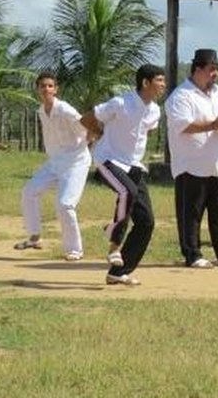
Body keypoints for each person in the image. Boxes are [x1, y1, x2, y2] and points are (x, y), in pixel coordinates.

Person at [80, 64, 166, 285]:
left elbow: (146, 130)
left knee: (146, 222)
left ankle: (118, 273)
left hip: (134, 166)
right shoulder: (120, 103)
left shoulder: (155, 110)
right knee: (126, 191)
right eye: (159, 80)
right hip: (108, 160)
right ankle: (113, 244)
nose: (163, 85)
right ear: (145, 83)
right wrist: (100, 134)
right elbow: (87, 118)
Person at [165, 48, 218, 269]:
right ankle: (193, 254)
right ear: (198, 69)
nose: (215, 74)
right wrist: (213, 125)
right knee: (191, 214)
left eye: (217, 69)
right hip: (192, 165)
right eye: (211, 69)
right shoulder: (181, 96)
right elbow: (184, 125)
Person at [16, 71, 91, 261]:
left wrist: (84, 150)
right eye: (42, 86)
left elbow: (87, 128)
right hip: (54, 162)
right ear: (37, 90)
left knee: (65, 204)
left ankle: (75, 250)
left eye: (50, 86)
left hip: (76, 162)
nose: (46, 89)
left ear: (56, 89)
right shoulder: (41, 111)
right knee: (28, 192)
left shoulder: (65, 109)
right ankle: (34, 237)